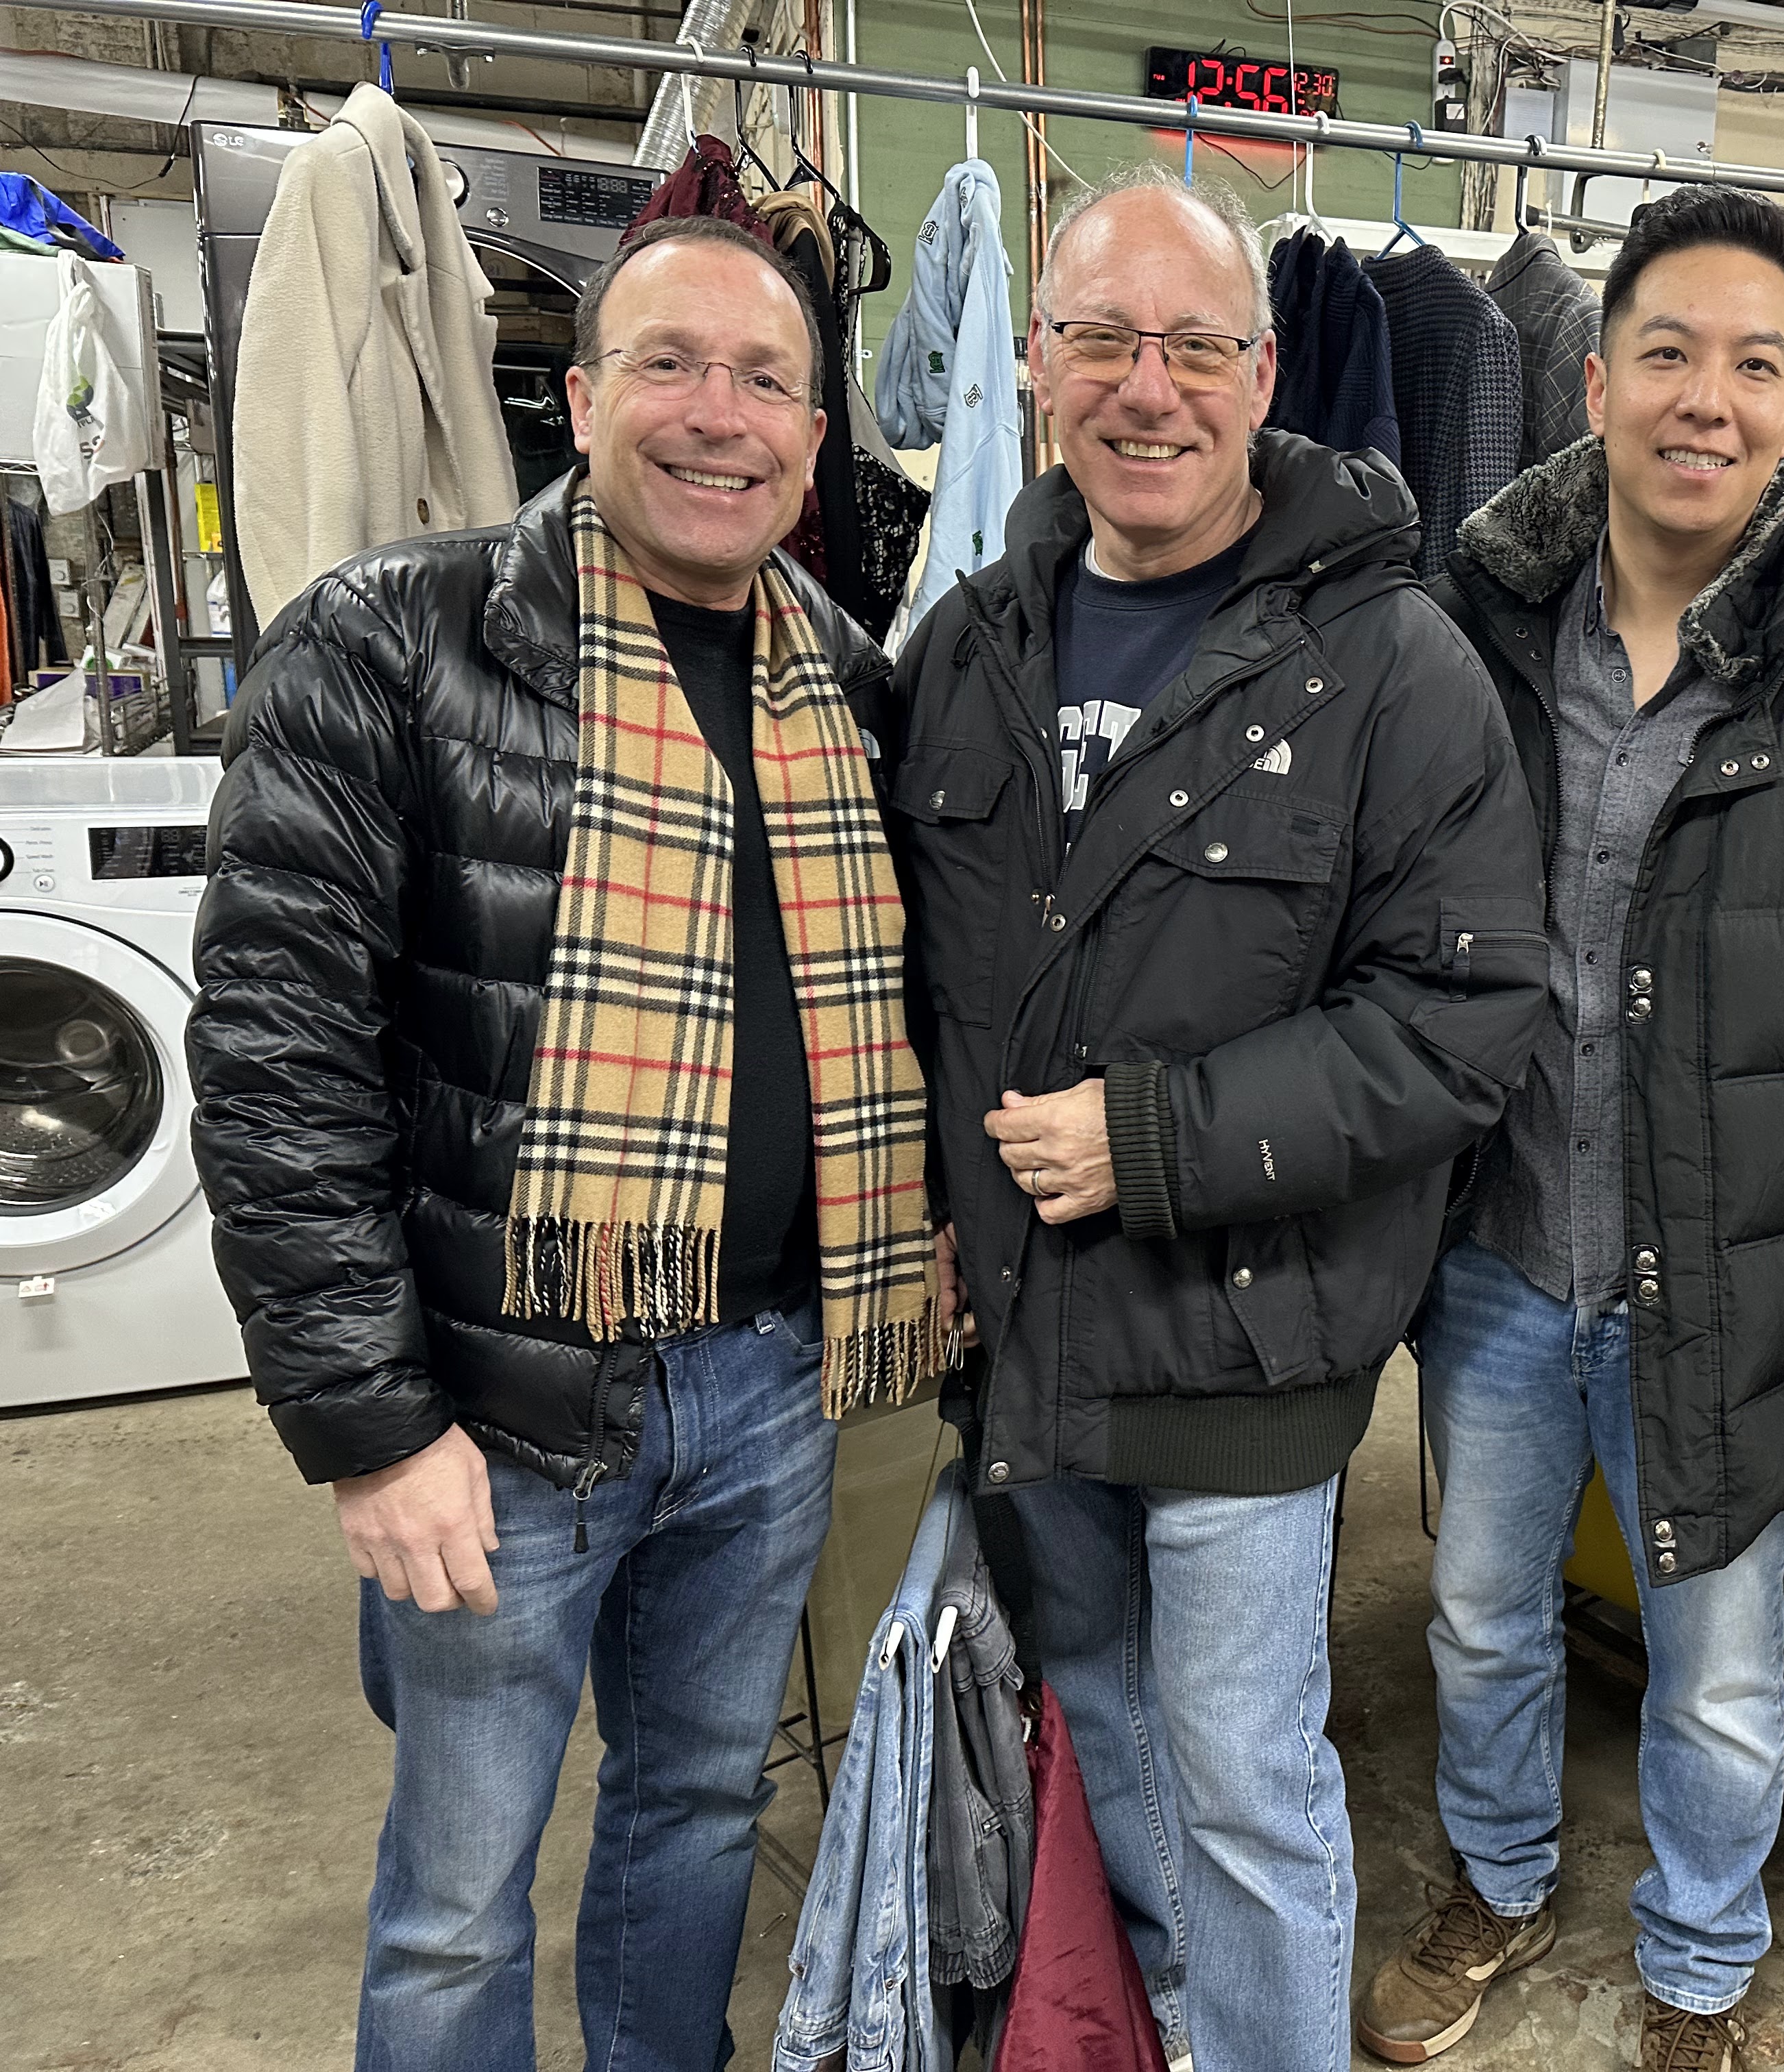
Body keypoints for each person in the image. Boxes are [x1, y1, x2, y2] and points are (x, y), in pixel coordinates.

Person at [186, 214, 931, 2069]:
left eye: (769, 380)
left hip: (768, 1382)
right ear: (583, 400)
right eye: (670, 365)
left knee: (691, 1815)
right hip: (498, 1411)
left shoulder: (846, 678)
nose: (719, 416)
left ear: (816, 441)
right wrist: (375, 1428)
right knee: (458, 1895)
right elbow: (280, 1067)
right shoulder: (385, 641)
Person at [887, 164, 1547, 2072]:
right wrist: (940, 1210)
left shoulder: (1393, 665)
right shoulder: (974, 649)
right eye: (1101, 337)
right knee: (1101, 1710)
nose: (1145, 387)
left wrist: (1158, 1138)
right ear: (1034, 362)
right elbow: (931, 983)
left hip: (1251, 1335)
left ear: (1266, 376)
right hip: (1029, 1329)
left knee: (1247, 1772)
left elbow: (1465, 1013)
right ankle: (1179, 2023)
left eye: (1194, 345)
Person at [1355, 187, 1784, 2072]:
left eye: (1751, 364)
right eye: (1668, 354)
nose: (1703, 400)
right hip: (1498, 1256)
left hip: (1735, 1279)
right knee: (1479, 1617)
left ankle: (1702, 1967)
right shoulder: (1462, 634)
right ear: (1596, 379)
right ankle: (1498, 1871)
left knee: (1723, 1676)